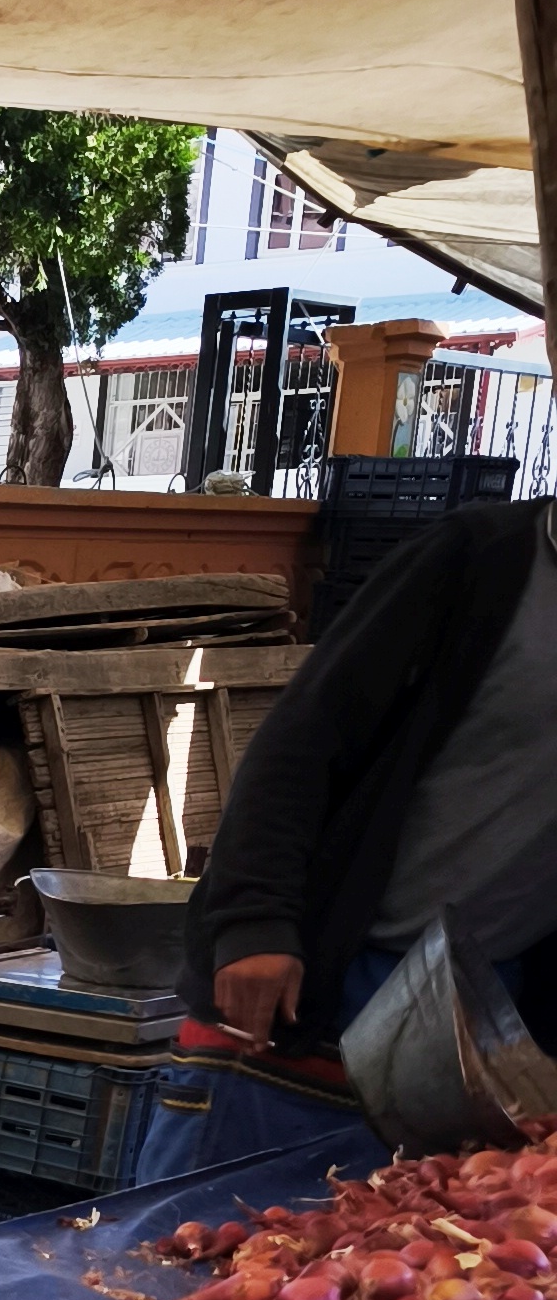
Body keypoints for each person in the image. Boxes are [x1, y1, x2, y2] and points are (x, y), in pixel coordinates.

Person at [154, 496, 557, 1173]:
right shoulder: (478, 560)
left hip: (488, 1021)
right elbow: (303, 738)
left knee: (405, 1262)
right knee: (186, 1258)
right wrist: (254, 920)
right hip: (319, 983)